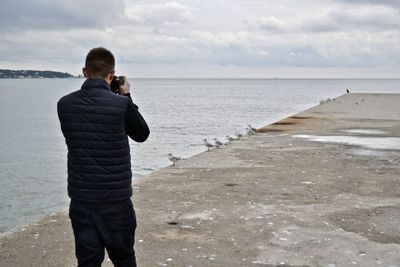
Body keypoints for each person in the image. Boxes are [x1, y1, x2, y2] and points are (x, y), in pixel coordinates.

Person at [57, 47, 150, 267]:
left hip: (81, 199)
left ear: (84, 71)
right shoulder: (121, 104)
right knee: (124, 258)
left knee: (88, 261)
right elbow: (141, 134)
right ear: (112, 75)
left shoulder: (64, 104)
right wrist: (126, 95)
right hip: (116, 200)